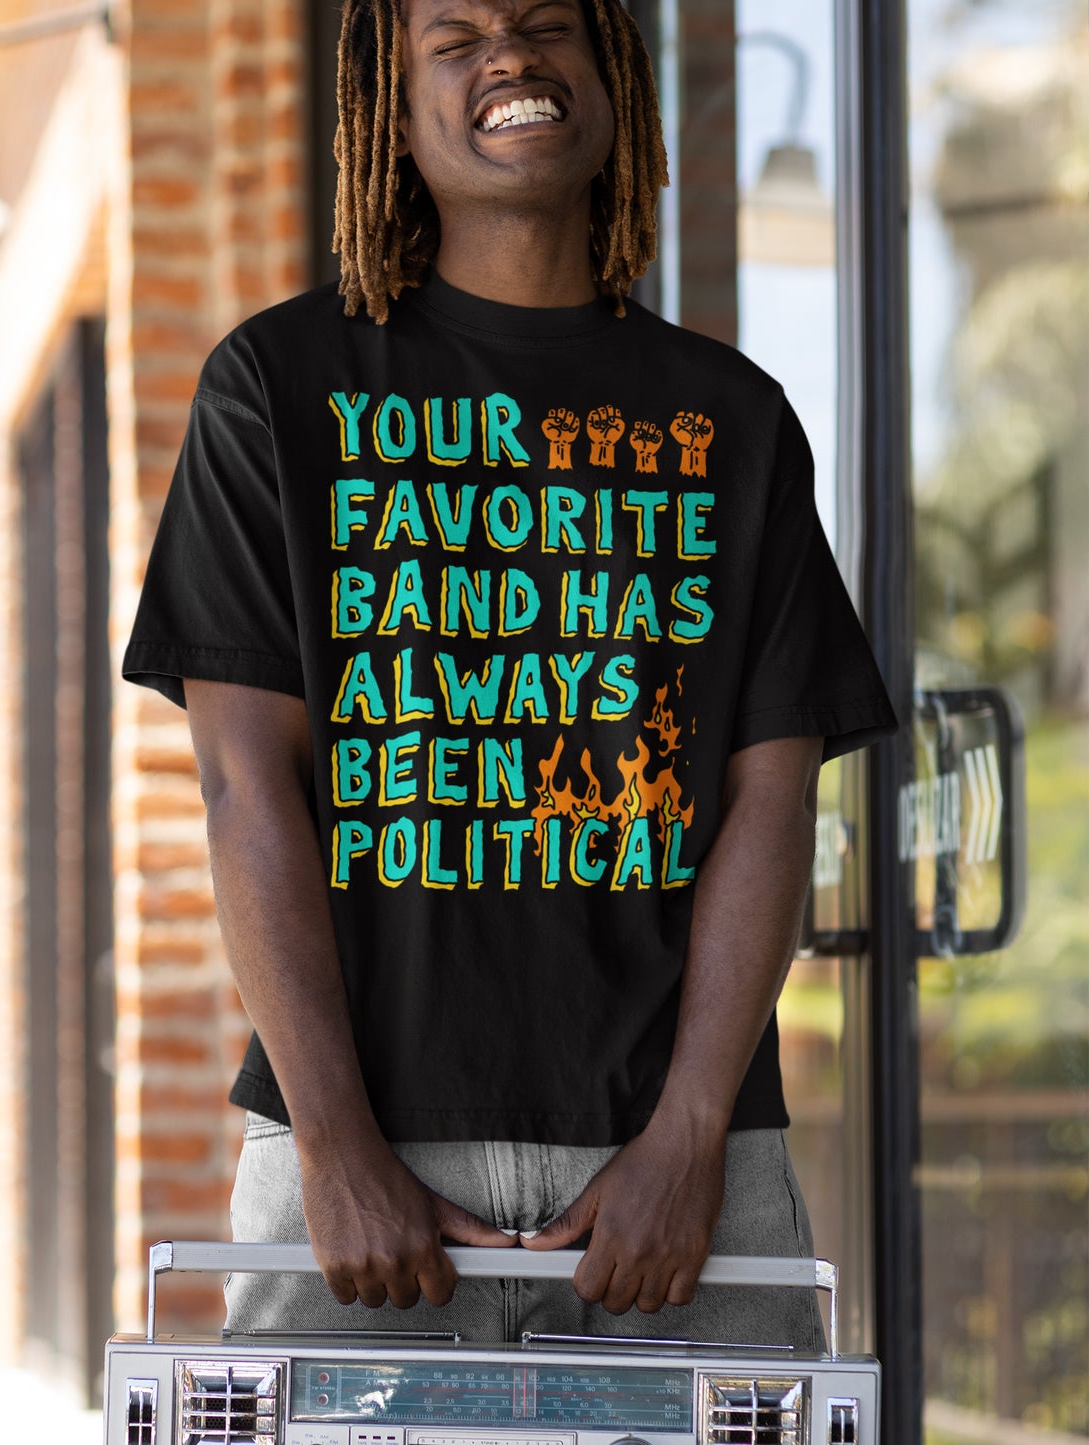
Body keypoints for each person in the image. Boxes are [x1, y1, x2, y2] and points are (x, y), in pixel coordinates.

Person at [122, 0, 896, 1346]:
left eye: (546, 25)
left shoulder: (732, 420)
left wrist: (689, 1133)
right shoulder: (278, 389)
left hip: (679, 1164)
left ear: (612, 85)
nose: (509, 56)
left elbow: (770, 800)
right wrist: (336, 1143)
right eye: (456, 34)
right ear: (391, 103)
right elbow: (248, 788)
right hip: (361, 1159)